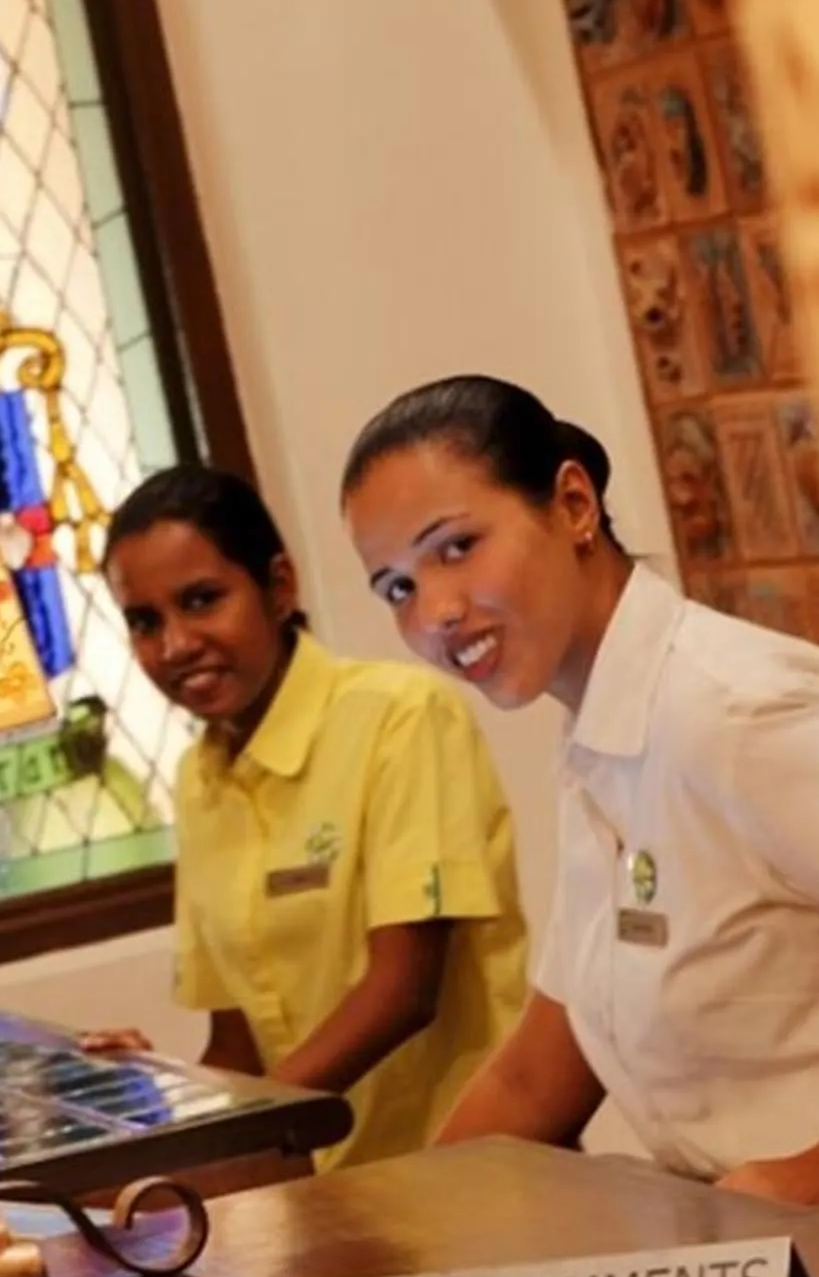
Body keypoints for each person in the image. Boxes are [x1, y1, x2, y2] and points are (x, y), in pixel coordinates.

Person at [337, 377, 819, 1204]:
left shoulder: (737, 715)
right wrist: (392, 1235)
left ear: (571, 504)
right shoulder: (599, 734)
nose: (436, 613)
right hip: (752, 1267)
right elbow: (537, 1076)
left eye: (456, 547)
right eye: (398, 589)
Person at [80, 465, 531, 1170]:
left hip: (469, 1172)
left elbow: (405, 991)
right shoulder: (201, 777)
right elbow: (238, 1046)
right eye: (145, 621)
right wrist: (148, 1101)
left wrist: (241, 1135)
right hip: (323, 1196)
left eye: (202, 600)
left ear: (280, 586)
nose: (175, 645)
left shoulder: (402, 717)